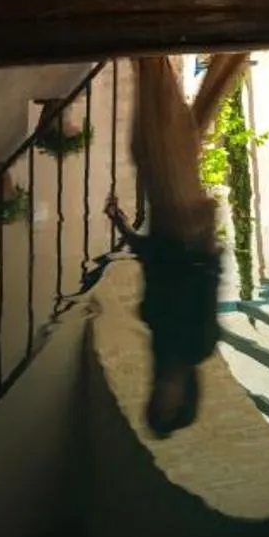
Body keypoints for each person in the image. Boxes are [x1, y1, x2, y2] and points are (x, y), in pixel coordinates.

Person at [104, 50, 249, 437]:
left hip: (170, 225)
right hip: (184, 227)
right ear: (185, 397)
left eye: (157, 402)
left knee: (160, 144)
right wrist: (194, 245)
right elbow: (198, 279)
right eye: (169, 403)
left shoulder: (162, 347)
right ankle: (154, 55)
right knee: (160, 142)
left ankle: (182, 58)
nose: (163, 393)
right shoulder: (196, 346)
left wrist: (126, 231)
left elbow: (156, 271)